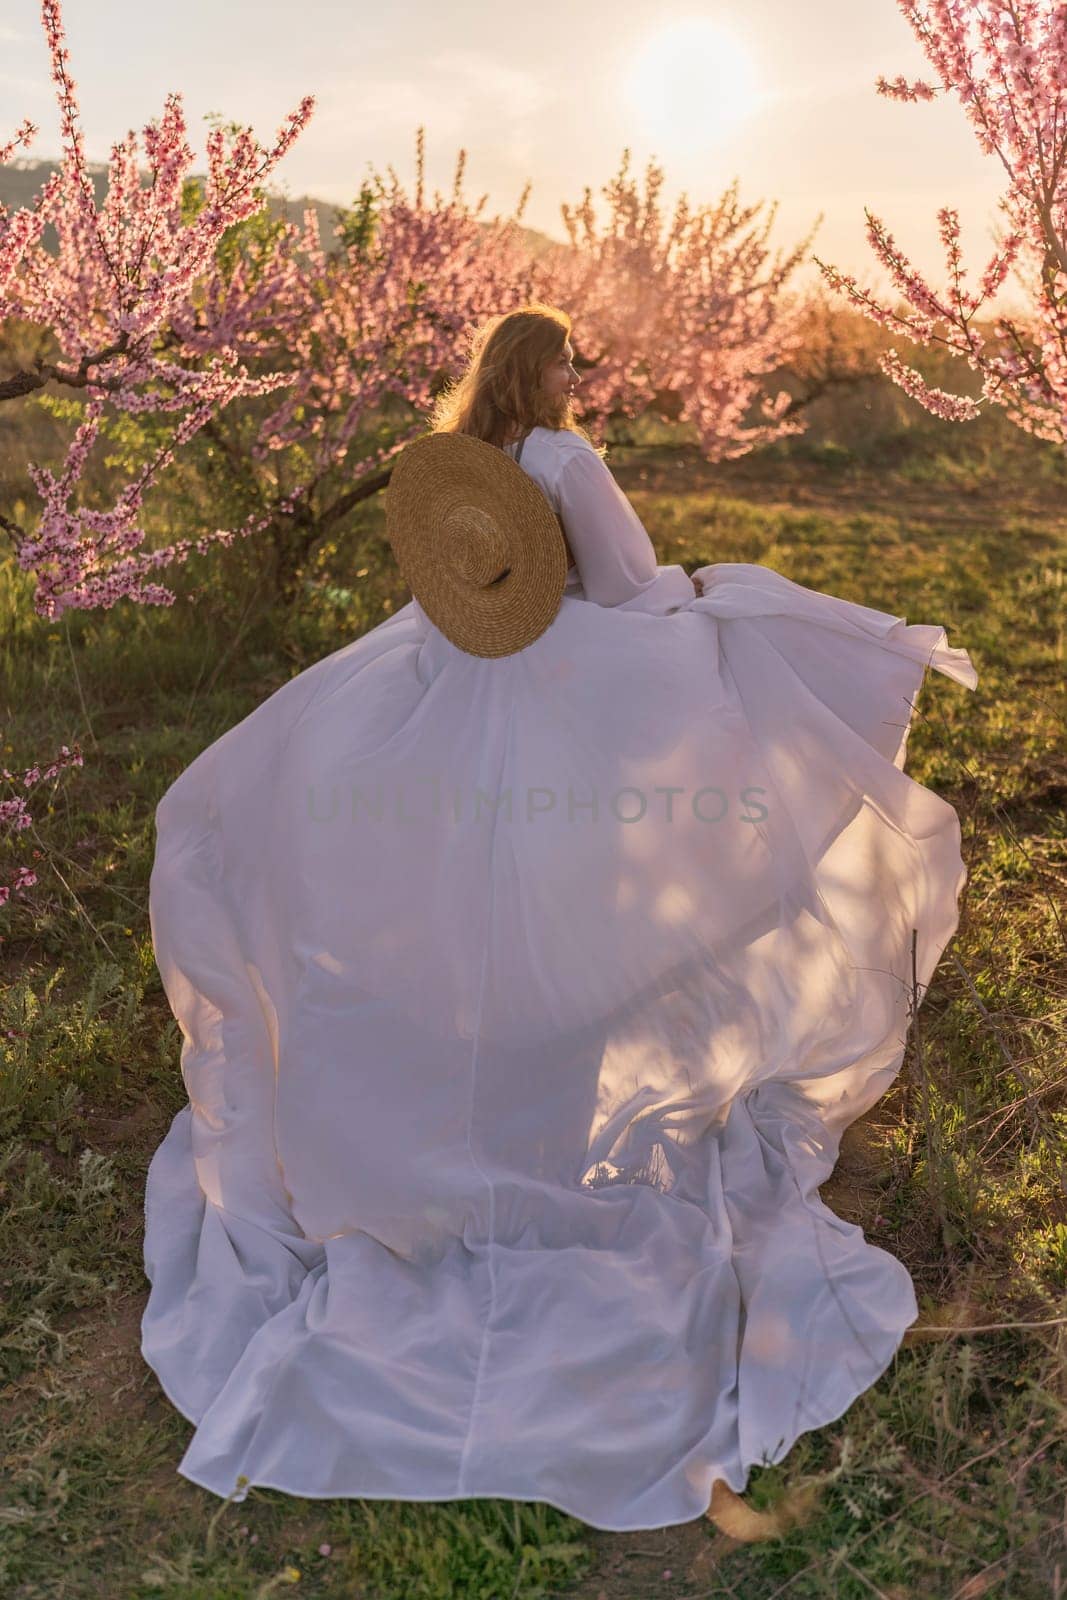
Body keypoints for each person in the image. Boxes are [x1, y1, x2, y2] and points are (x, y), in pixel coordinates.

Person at [141, 301, 978, 1533]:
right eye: (570, 358)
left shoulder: (468, 457)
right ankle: (566, 1066)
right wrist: (691, 609)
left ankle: (462, 1101)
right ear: (544, 369)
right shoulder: (566, 456)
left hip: (454, 684)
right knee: (721, 681)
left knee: (474, 902)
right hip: (567, 689)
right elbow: (631, 583)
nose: (580, 374)